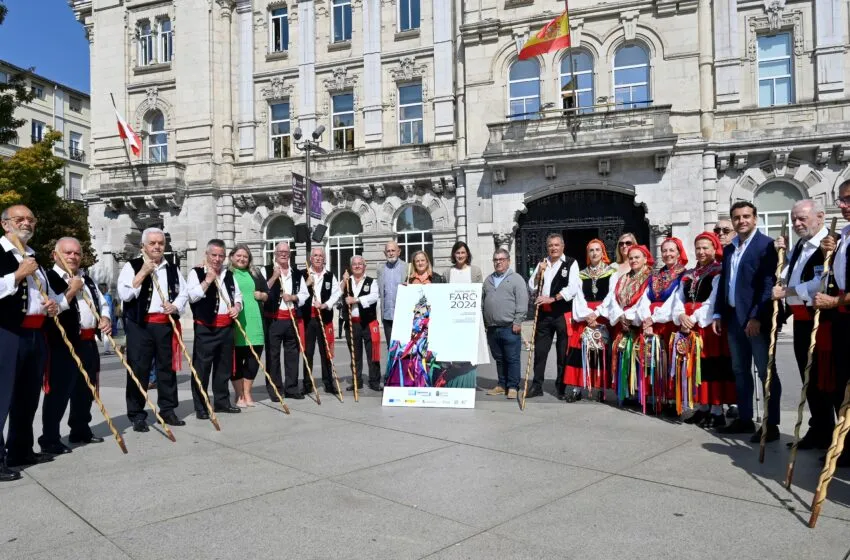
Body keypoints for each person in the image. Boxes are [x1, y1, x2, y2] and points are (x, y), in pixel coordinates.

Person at [0, 205, 63, 479]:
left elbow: (44, 296)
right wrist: (17, 275)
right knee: (2, 397)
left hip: (35, 335)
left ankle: (21, 449)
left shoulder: (33, 257)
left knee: (27, 397)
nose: (27, 223)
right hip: (7, 332)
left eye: (30, 219)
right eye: (20, 219)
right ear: (5, 224)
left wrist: (51, 306)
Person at [713, 201, 782, 442]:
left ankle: (771, 424)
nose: (741, 221)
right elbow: (726, 283)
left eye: (746, 216)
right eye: (737, 217)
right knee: (740, 371)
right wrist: (719, 313)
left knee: (766, 372)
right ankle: (745, 419)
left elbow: (767, 285)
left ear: (755, 218)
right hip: (733, 318)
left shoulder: (766, 246)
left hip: (756, 320)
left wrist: (756, 316)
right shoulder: (731, 248)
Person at [39, 237, 112, 455]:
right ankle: (50, 438)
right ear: (55, 255)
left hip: (88, 342)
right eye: (67, 253)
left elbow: (102, 303)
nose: (73, 257)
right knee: (59, 392)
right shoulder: (47, 278)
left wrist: (105, 318)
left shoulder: (86, 279)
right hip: (63, 344)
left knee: (86, 390)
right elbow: (51, 310)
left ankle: (80, 429)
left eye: (77, 253)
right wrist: (71, 290)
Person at [772, 200, 833, 449]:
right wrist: (782, 257)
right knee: (808, 378)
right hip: (800, 320)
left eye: (802, 219)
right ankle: (819, 428)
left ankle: (837, 436)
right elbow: (791, 275)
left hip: (823, 321)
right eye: (794, 219)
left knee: (826, 378)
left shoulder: (829, 243)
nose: (797, 224)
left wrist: (788, 292)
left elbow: (822, 282)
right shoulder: (800, 244)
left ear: (820, 216)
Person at [117, 227, 189, 432]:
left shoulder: (172, 268)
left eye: (161, 243)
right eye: (153, 243)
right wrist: (143, 273)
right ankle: (137, 414)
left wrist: (175, 306)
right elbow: (125, 294)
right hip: (140, 325)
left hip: (164, 323)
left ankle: (167, 409)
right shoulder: (132, 266)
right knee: (138, 369)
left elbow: (183, 293)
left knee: (166, 369)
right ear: (143, 246)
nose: (157, 246)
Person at [672, 232, 735, 428]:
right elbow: (678, 298)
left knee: (712, 367)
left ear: (714, 248)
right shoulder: (689, 274)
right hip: (690, 326)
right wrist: (680, 315)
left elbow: (712, 301)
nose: (701, 252)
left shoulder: (718, 271)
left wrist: (693, 318)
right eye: (698, 248)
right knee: (697, 367)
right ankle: (703, 407)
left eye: (705, 247)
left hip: (708, 327)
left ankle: (717, 410)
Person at [814, 177, 850, 467]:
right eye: (841, 199)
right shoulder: (845, 234)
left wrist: (836, 301)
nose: (842, 205)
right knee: (840, 386)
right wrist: (831, 252)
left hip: (843, 310)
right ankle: (846, 443)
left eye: (848, 199)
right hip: (841, 322)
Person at [187, 239, 243, 418]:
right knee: (202, 368)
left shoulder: (229, 275)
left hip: (226, 327)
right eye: (214, 255)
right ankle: (201, 406)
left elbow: (238, 296)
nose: (217, 259)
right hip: (206, 328)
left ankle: (222, 402)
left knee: (224, 368)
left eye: (221, 256)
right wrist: (208, 281)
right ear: (207, 254)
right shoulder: (196, 273)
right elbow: (192, 297)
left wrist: (237, 307)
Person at [526, 233, 580, 399]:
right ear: (547, 247)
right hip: (544, 314)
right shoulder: (543, 263)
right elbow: (531, 286)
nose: (554, 248)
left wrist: (553, 298)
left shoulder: (571, 263)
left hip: (562, 313)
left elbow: (573, 288)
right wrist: (538, 274)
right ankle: (537, 385)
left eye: (557, 245)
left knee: (562, 351)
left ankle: (561, 386)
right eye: (551, 245)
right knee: (540, 351)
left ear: (562, 246)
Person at [637, 237, 688, 413]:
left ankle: (673, 401)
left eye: (671, 250)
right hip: (652, 324)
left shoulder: (683, 274)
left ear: (679, 253)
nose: (667, 254)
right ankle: (656, 398)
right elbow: (644, 298)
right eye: (664, 251)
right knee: (653, 361)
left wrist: (654, 318)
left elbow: (675, 300)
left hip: (668, 324)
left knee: (670, 362)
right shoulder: (655, 275)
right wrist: (646, 318)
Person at [564, 239, 615, 402]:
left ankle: (599, 388)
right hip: (584, 317)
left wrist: (597, 313)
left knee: (599, 353)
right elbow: (577, 297)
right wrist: (587, 315)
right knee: (578, 354)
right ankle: (576, 388)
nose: (594, 253)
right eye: (591, 250)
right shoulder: (581, 274)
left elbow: (611, 295)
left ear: (603, 253)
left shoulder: (611, 272)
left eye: (597, 250)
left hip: (601, 317)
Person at [605, 245, 654, 408]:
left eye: (637, 257)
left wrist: (631, 317)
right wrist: (620, 316)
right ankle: (628, 393)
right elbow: (613, 298)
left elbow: (645, 300)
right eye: (631, 258)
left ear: (645, 259)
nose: (633, 260)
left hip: (638, 324)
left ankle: (643, 394)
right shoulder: (623, 278)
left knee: (640, 359)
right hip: (623, 323)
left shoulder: (650, 277)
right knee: (624, 358)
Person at [262, 242, 308, 400]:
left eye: (286, 252)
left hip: (291, 319)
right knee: (273, 355)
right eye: (280, 251)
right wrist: (275, 277)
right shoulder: (266, 270)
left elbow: (304, 294)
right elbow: (262, 291)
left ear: (290, 254)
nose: (283, 254)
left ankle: (292, 388)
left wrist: (293, 297)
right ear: (275, 254)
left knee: (292, 355)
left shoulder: (296, 273)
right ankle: (275, 388)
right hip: (273, 320)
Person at [483, 249, 527, 399]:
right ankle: (502, 385)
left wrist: (518, 321)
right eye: (496, 259)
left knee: (512, 358)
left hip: (510, 326)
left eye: (502, 259)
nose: (498, 262)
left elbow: (522, 302)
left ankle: (513, 386)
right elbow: (483, 302)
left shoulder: (516, 279)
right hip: (492, 327)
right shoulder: (488, 280)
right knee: (499, 358)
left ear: (508, 260)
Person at [229, 244, 268, 407]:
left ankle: (247, 393)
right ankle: (239, 395)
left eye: (245, 256)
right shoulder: (227, 274)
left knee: (253, 360)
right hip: (236, 323)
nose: (242, 259)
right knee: (237, 360)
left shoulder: (256, 273)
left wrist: (262, 295)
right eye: (238, 255)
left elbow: (268, 294)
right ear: (231, 257)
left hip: (255, 322)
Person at [301, 247, 342, 395]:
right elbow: (296, 293)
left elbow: (337, 293)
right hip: (308, 319)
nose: (318, 258)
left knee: (326, 352)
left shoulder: (330, 276)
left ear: (324, 259)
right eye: (315, 256)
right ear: (311, 258)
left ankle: (329, 383)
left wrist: (325, 305)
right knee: (308, 352)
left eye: (321, 256)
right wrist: (306, 284)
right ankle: (307, 384)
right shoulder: (303, 274)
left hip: (324, 318)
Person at [341, 255, 382, 392]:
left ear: (364, 266)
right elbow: (337, 295)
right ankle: (356, 381)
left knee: (372, 354)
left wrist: (356, 299)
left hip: (368, 323)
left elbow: (374, 297)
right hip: (352, 324)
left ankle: (374, 381)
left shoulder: (372, 282)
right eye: (354, 264)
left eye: (360, 264)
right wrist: (343, 282)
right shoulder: (347, 282)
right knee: (355, 355)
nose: (357, 266)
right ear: (351, 267)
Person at [714, 217, 738, 419]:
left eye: (725, 230)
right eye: (717, 230)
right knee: (723, 363)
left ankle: (737, 403)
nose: (720, 234)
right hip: (719, 318)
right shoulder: (713, 259)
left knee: (738, 364)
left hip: (740, 316)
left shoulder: (736, 252)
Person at [376, 241, 406, 346]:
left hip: (403, 316)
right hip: (387, 316)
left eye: (393, 250)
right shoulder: (380, 269)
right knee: (391, 348)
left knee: (404, 348)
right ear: (385, 253)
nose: (391, 253)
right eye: (388, 251)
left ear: (399, 252)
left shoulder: (406, 267)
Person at [100, 283, 115, 354]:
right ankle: (106, 349)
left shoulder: (99, 296)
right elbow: (110, 308)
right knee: (106, 333)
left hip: (100, 317)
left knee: (102, 332)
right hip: (107, 317)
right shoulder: (107, 297)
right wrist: (110, 318)